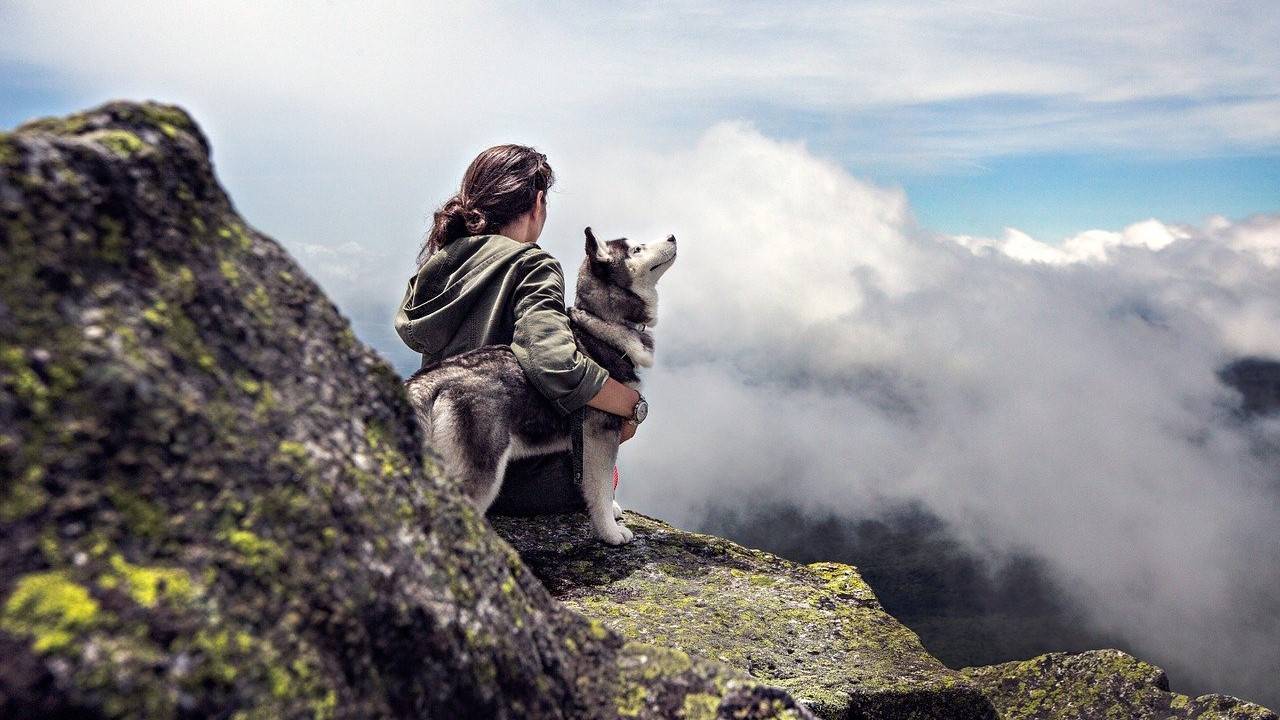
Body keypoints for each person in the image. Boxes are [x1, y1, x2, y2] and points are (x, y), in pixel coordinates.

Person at [394, 144, 643, 514]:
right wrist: (630, 405)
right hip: (506, 477)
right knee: (604, 467)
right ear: (538, 202)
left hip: (438, 462)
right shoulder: (531, 264)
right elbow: (553, 360)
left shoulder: (440, 265)